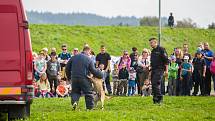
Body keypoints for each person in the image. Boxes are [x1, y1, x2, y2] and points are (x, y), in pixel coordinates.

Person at [66, 46, 103, 110]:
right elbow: (93, 70)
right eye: (89, 53)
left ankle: (75, 103)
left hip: (74, 78)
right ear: (87, 51)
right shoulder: (88, 59)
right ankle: (89, 108)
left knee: (75, 92)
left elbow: (67, 68)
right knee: (88, 93)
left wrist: (69, 77)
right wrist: (101, 74)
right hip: (84, 78)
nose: (90, 54)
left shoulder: (73, 57)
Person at [149, 38, 169, 104]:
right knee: (153, 84)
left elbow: (166, 60)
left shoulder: (161, 49)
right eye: (150, 43)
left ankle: (160, 98)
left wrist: (166, 70)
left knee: (155, 83)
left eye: (151, 42)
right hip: (154, 70)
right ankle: (155, 99)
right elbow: (152, 62)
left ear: (155, 42)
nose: (150, 44)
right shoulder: (152, 51)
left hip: (160, 69)